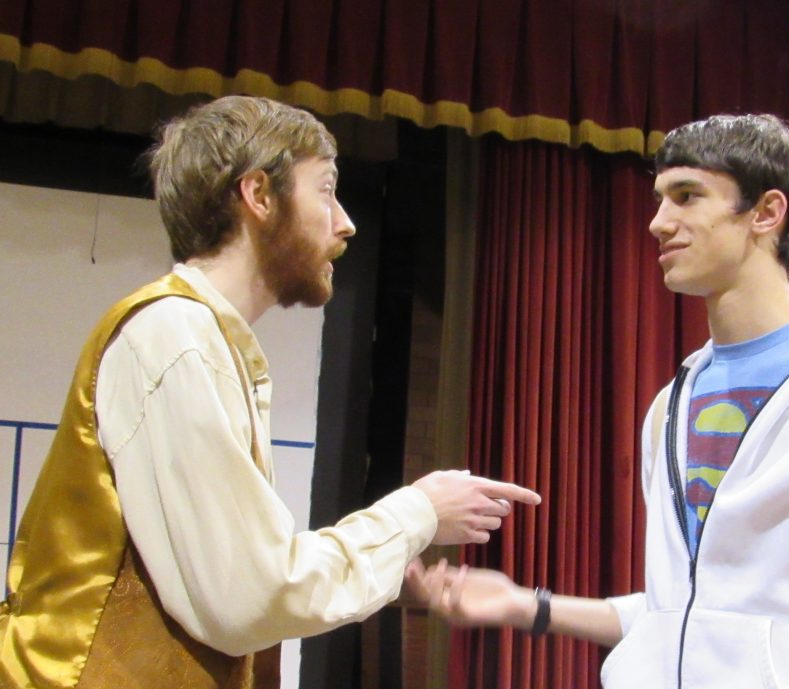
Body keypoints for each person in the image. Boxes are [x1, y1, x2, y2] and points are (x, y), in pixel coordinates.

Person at [406, 114, 789, 689]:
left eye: (688, 196)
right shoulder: (672, 404)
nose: (658, 223)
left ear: (768, 212)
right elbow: (687, 617)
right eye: (660, 199)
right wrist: (526, 606)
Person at [0, 95, 540, 689]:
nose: (345, 221)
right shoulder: (176, 336)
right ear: (258, 195)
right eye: (325, 190)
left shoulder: (202, 338)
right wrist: (418, 511)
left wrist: (382, 568)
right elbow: (247, 597)